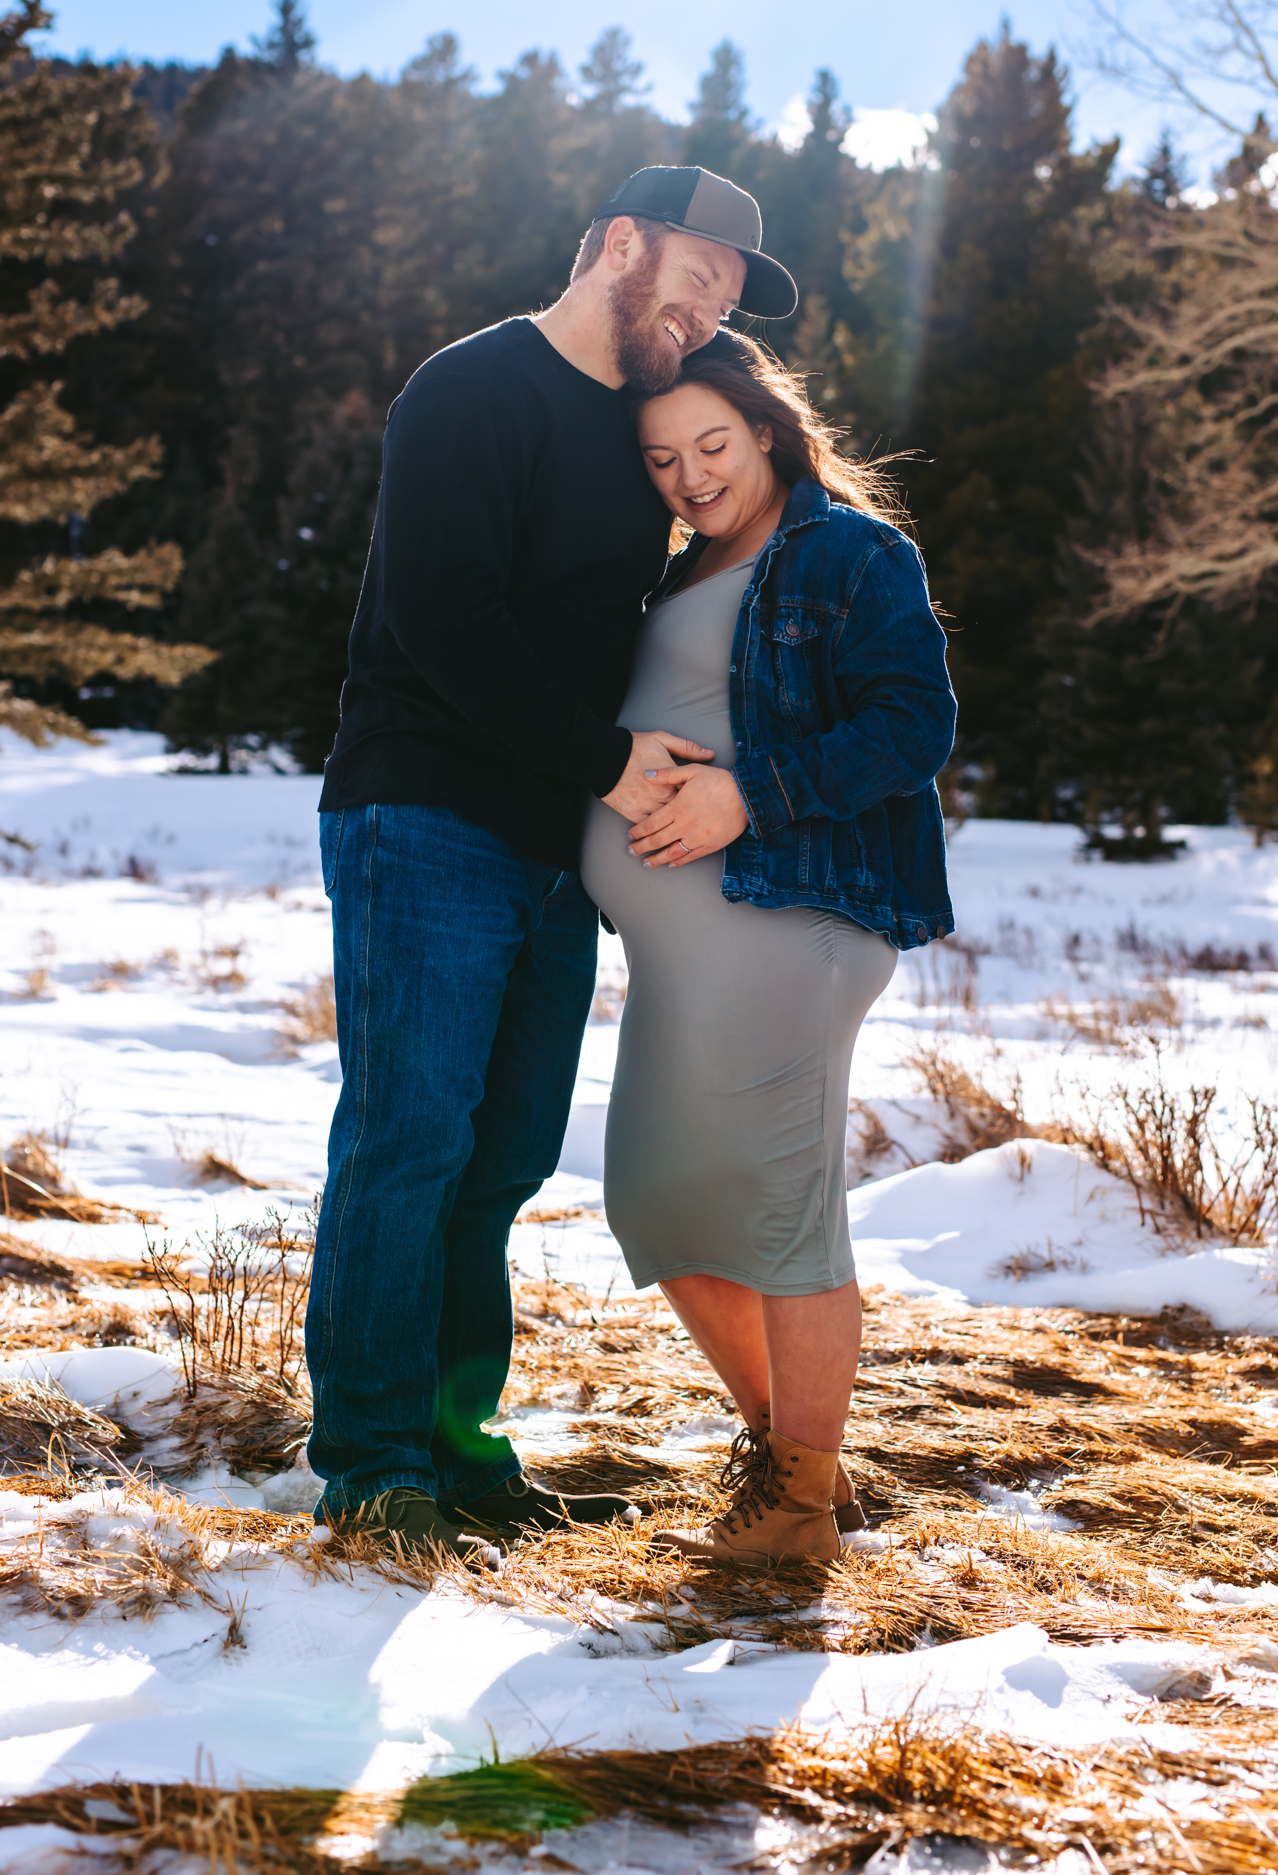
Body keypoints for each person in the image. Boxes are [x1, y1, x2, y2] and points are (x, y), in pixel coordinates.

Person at [306, 166, 799, 1557]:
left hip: (549, 842)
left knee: (502, 1155)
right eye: (695, 275)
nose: (705, 313)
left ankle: (462, 1456)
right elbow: (443, 618)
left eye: (725, 299)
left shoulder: (638, 432)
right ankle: (370, 1465)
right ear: (621, 244)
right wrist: (602, 758)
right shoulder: (472, 387)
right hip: (423, 814)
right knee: (408, 1140)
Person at [582, 330, 955, 1565]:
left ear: (767, 431)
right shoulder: (670, 572)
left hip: (789, 926)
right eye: (660, 458)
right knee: (658, 1201)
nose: (689, 476)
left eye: (711, 445)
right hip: (685, 960)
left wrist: (749, 796)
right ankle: (793, 1461)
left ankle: (796, 1508)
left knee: (784, 1216)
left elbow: (912, 724)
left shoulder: (849, 554)